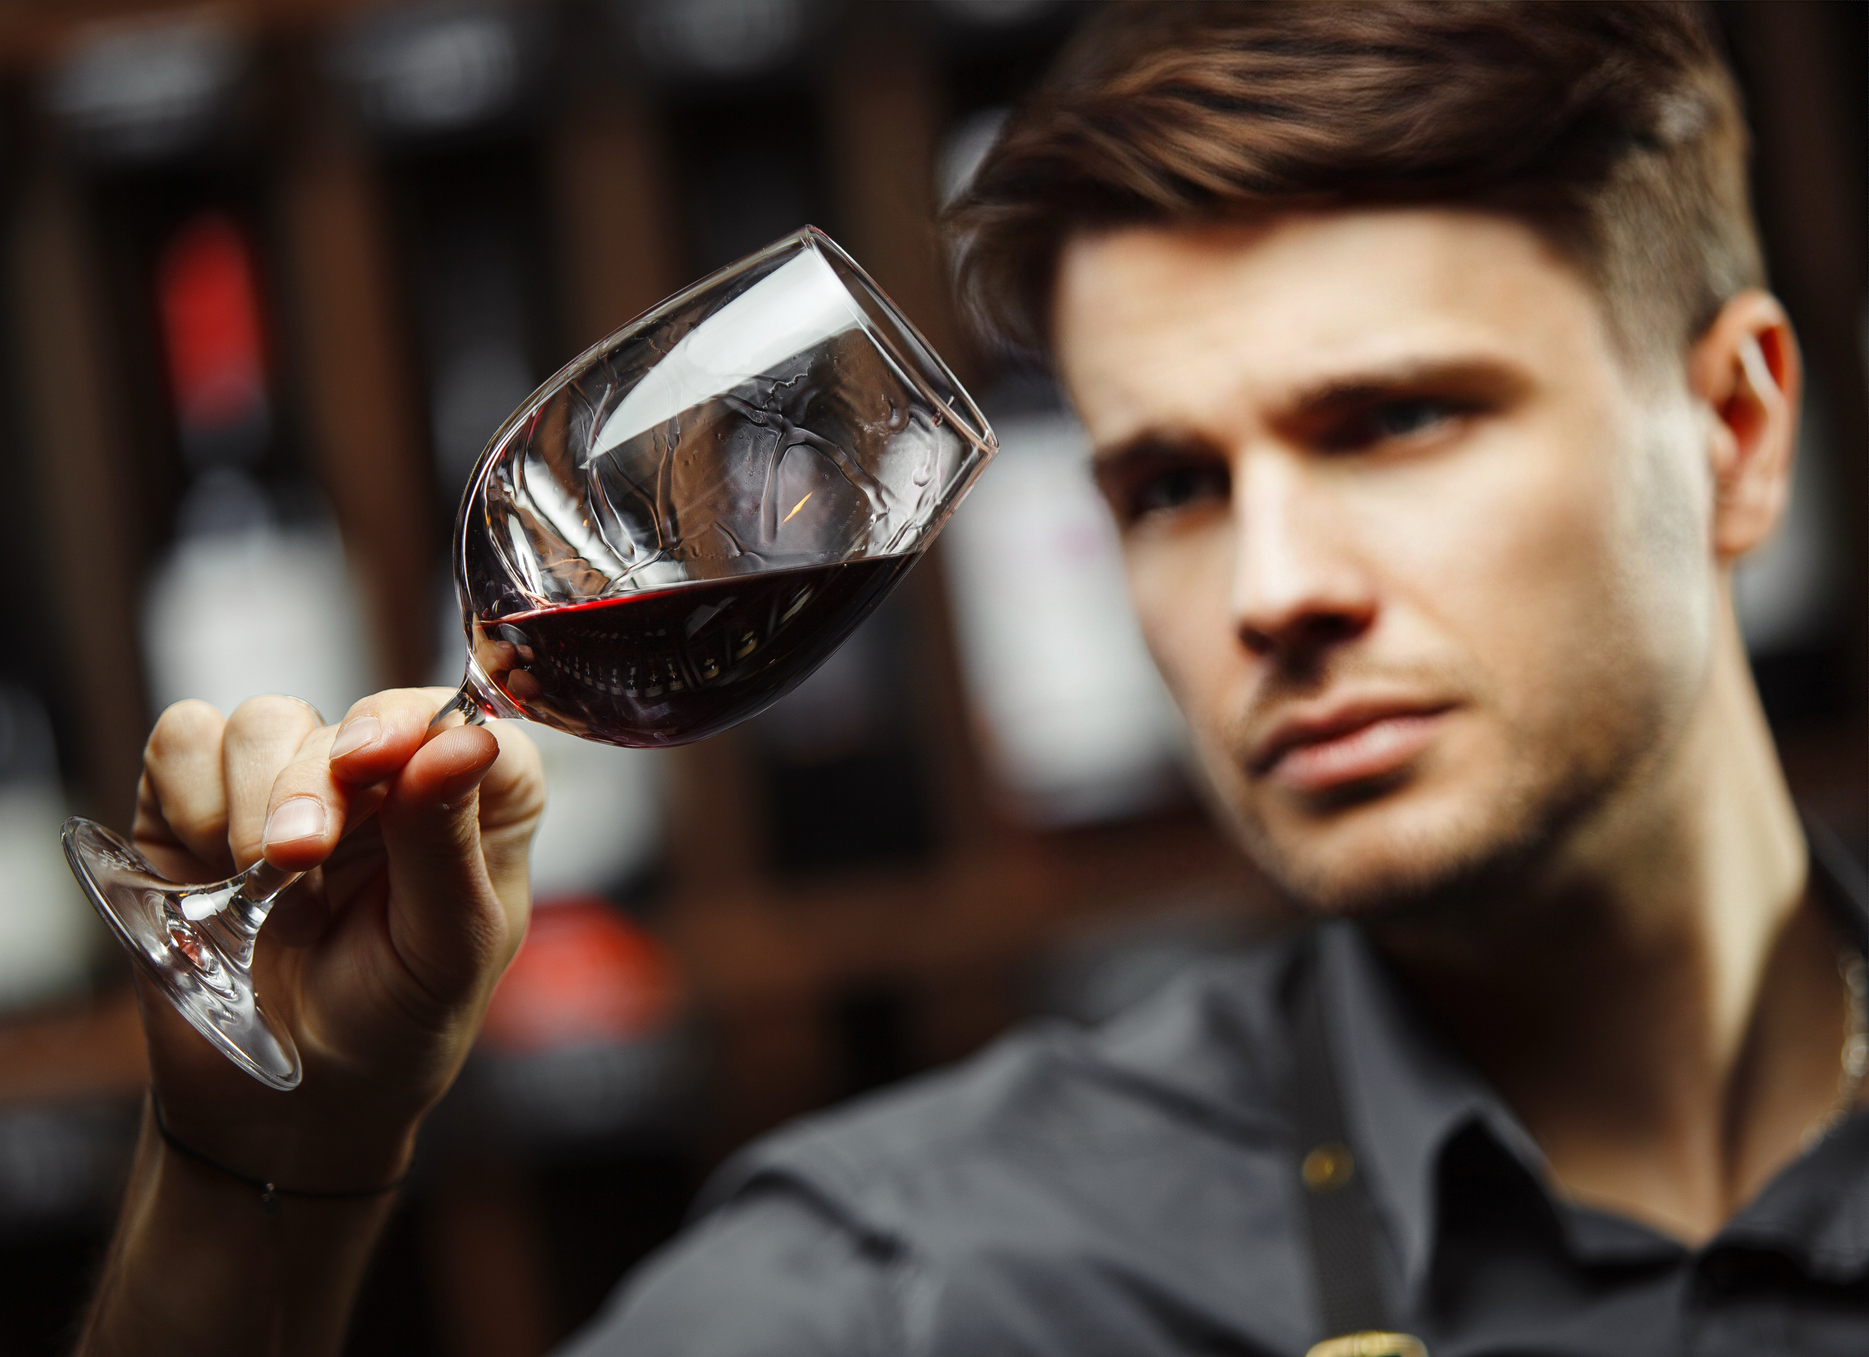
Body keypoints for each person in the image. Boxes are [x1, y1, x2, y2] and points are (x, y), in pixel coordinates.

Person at [75, 3, 1867, 1354]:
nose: (1274, 593)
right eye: (1169, 487)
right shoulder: (914, 1289)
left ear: (1734, 430)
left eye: (1394, 422)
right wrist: (259, 1169)